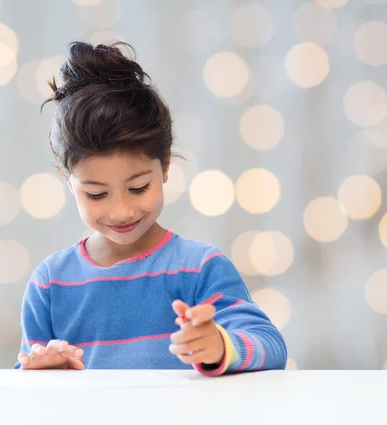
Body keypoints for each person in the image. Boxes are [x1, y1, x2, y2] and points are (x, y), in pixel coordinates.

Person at [15, 41, 287, 375]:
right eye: (97, 194)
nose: (121, 211)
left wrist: (218, 345)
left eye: (138, 187)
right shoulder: (50, 284)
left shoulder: (198, 268)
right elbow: (25, 381)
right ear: (67, 179)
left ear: (166, 164)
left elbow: (270, 345)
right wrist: (44, 373)